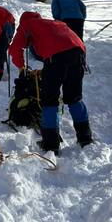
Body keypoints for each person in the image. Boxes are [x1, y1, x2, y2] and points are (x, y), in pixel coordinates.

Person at [8, 12, 93, 155]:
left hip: (57, 57)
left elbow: (14, 49)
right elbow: (71, 41)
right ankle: (85, 138)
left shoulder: (27, 25)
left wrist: (22, 67)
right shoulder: (52, 23)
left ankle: (51, 144)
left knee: (50, 100)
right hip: (78, 53)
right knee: (74, 98)